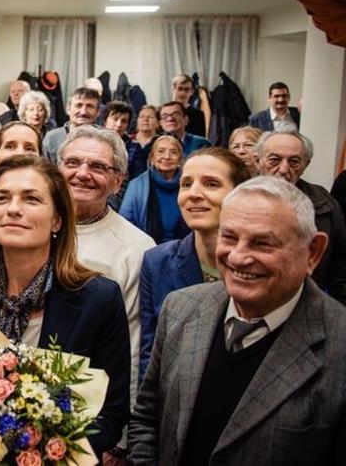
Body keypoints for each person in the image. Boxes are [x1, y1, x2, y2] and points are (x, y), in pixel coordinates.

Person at [129, 176, 346, 466]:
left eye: (263, 243)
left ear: (313, 252)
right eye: (229, 237)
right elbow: (147, 418)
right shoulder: (180, 308)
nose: (239, 257)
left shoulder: (339, 348)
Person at [0, 155, 131, 461]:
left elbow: (112, 413)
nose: (13, 208)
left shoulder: (99, 299)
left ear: (57, 219)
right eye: (2, 198)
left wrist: (45, 453)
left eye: (31, 199)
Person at [57, 126, 156, 461]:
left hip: (92, 418)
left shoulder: (137, 248)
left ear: (117, 181)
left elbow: (133, 348)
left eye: (98, 167)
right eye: (73, 163)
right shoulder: (31, 226)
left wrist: (118, 437)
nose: (82, 173)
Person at [138, 148, 250, 381]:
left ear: (240, 194)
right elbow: (151, 358)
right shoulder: (157, 262)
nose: (194, 194)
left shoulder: (258, 266)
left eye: (211, 184)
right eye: (186, 184)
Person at [256, 128, 346, 303]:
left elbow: (341, 267)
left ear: (306, 164)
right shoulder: (236, 199)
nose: (284, 169)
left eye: (294, 162)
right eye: (274, 160)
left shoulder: (325, 203)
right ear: (258, 160)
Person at [120, 134, 190, 244]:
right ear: (152, 158)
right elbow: (126, 223)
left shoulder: (189, 185)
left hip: (185, 249)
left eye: (173, 152)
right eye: (161, 151)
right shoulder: (137, 185)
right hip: (146, 248)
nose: (167, 156)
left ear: (180, 159)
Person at [43, 87, 101, 162]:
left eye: (90, 106)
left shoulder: (106, 140)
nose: (83, 112)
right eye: (78, 105)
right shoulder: (52, 138)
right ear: (68, 109)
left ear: (98, 112)